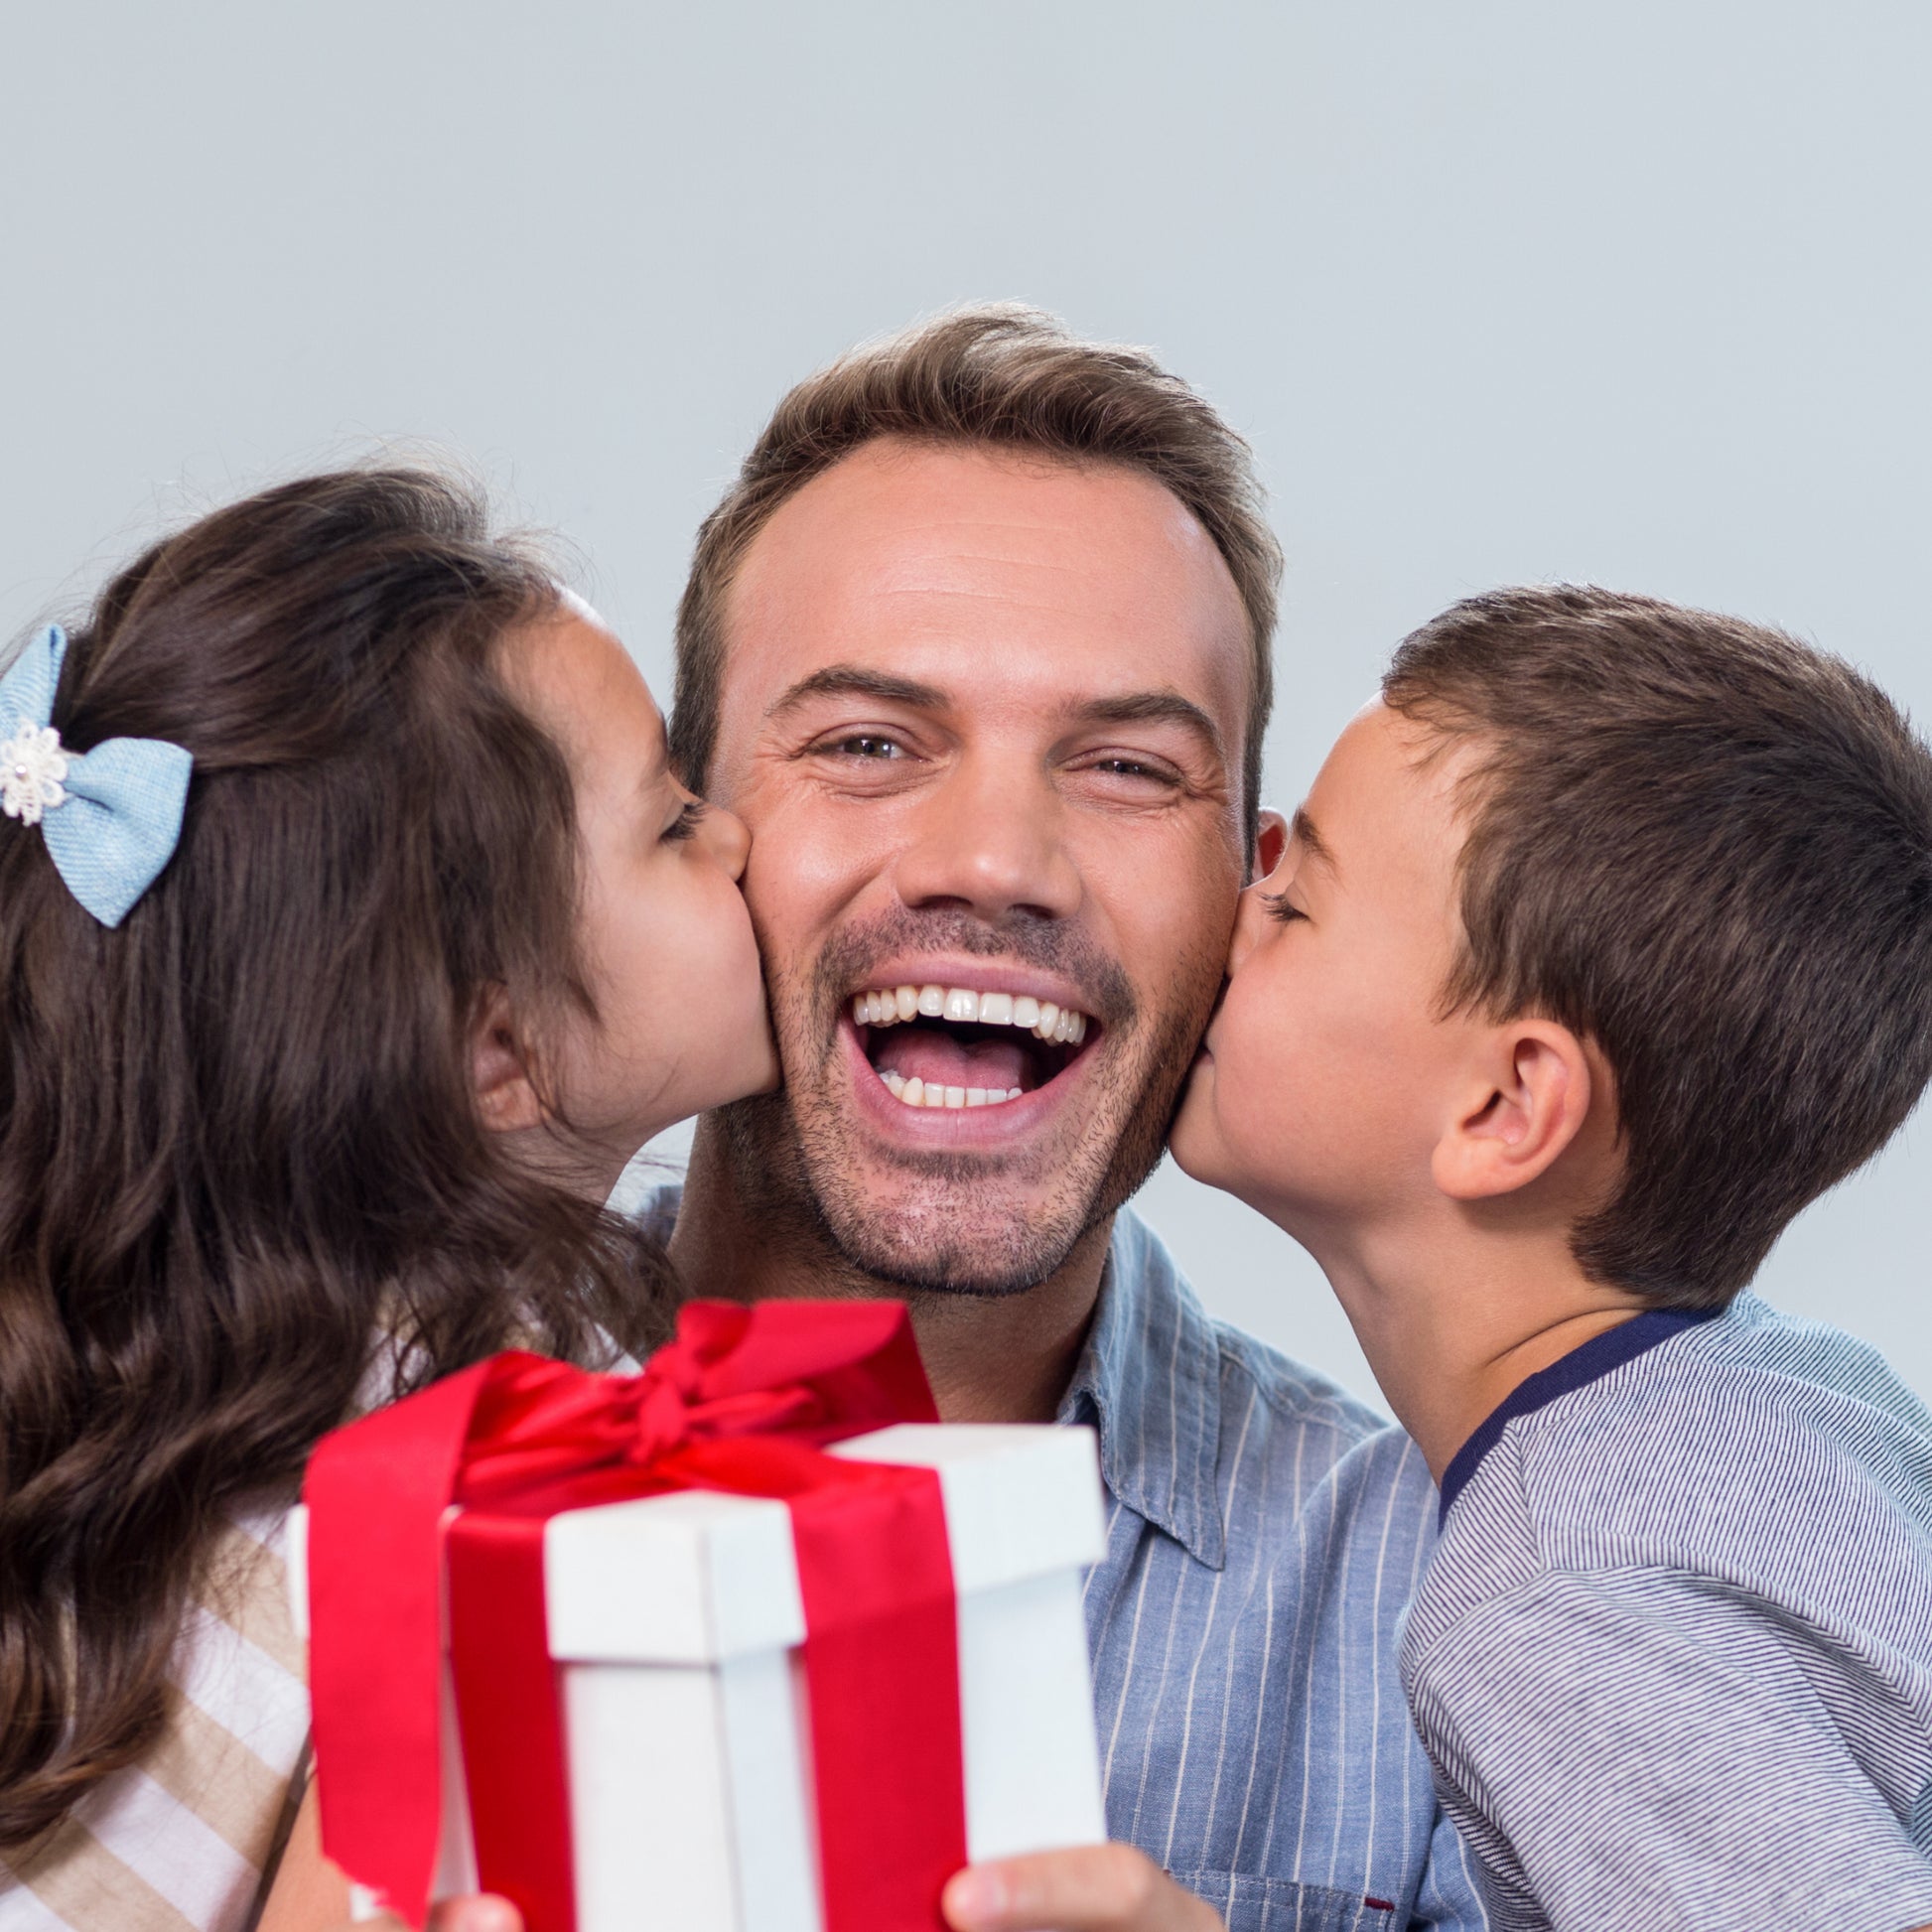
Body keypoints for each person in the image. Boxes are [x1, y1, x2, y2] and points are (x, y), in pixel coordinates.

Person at [648, 304, 1487, 1931]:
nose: (999, 859)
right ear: (681, 835)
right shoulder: (292, 1426)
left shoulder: (1467, 1611)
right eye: (869, 743)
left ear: (1250, 891)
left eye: (1122, 768)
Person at [0, 467, 776, 1931]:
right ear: (498, 1048)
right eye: (673, 825)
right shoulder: (518, 1406)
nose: (733, 837)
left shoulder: (187, 1354)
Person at [1171, 585, 1932, 1930]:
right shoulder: (1790, 1396)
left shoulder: (1559, 1588)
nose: (1230, 905)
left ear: (1504, 1108)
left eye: (1293, 899)